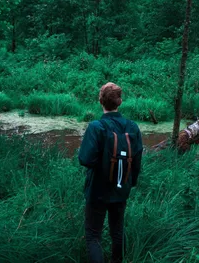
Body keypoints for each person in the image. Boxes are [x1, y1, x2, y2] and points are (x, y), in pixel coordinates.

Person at [78, 82, 143, 263]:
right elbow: (137, 160)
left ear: (101, 101)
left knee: (93, 236)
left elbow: (85, 159)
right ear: (119, 102)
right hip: (122, 189)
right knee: (117, 231)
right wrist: (130, 183)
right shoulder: (132, 127)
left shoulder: (96, 127)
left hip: (97, 191)